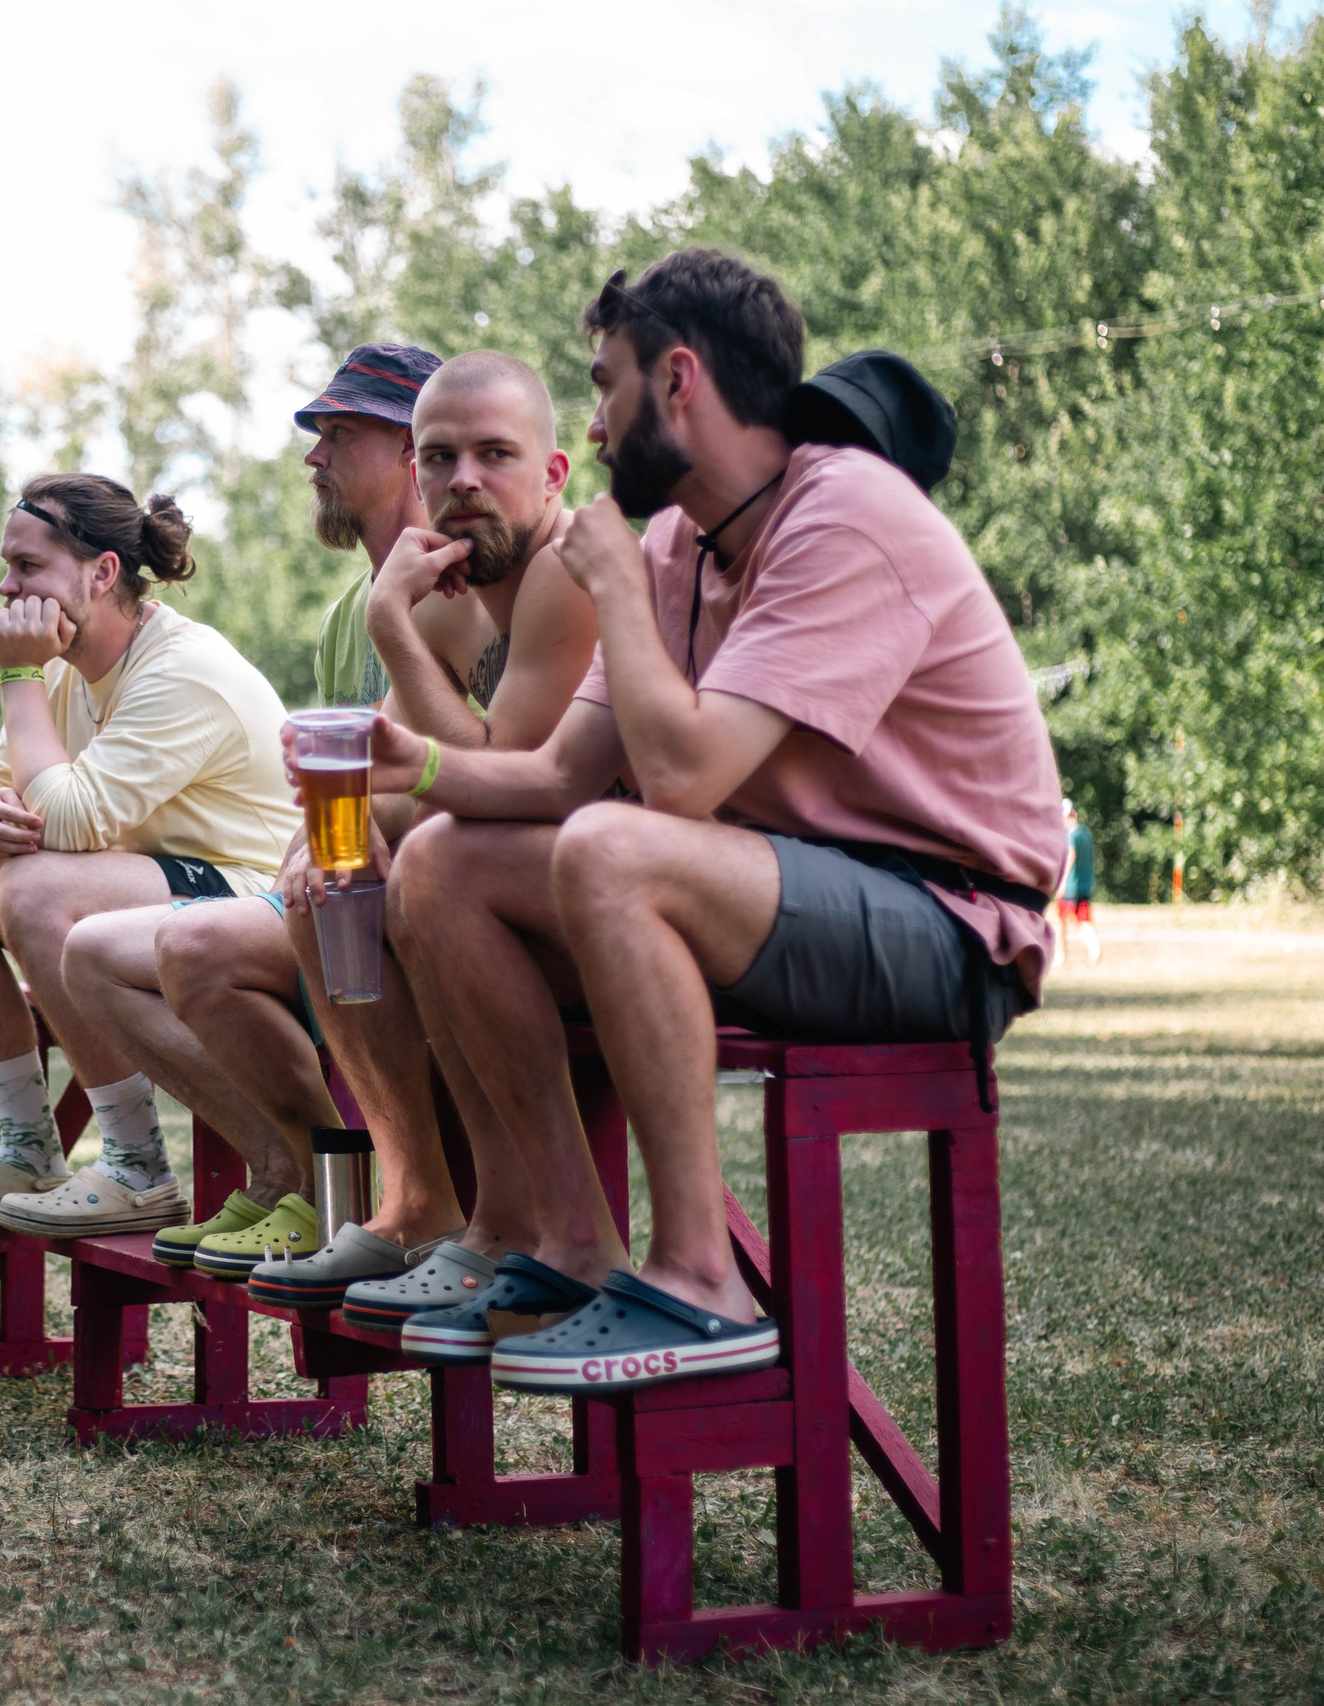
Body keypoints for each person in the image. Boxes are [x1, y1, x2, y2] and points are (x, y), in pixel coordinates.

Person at [339, 248, 1063, 1390]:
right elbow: (559, 776)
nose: (596, 417)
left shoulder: (844, 514)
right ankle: (569, 1242)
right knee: (440, 864)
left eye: (605, 385)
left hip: (949, 921)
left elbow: (674, 786)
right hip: (783, 890)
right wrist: (415, 761)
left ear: (676, 381)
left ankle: (703, 1285)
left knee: (615, 853)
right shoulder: (680, 539)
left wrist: (618, 587)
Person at [56, 347, 595, 1285]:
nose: (315, 457)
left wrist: (393, 634)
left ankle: (463, 1216)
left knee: (412, 858)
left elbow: (496, 775)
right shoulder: (401, 599)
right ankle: (367, 1193)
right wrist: (322, 836)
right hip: (427, 890)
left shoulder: (547, 571)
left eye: (339, 435)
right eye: (444, 458)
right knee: (329, 877)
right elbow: (369, 768)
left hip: (557, 896)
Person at [0, 474, 300, 1231]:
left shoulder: (182, 668)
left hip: (258, 903)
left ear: (102, 571)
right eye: (7, 565)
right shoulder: (61, 671)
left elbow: (71, 825)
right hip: (153, 895)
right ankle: (22, 1143)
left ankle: (135, 1165)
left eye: (26, 567)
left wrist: (16, 675)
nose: (5, 585)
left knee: (37, 890)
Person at [1056, 799, 1100, 967]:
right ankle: (1095, 950)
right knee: (1084, 919)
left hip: (1070, 886)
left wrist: (1062, 881)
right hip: (1085, 884)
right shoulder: (1086, 833)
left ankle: (1061, 956)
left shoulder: (1070, 834)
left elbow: (1070, 856)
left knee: (1059, 921)